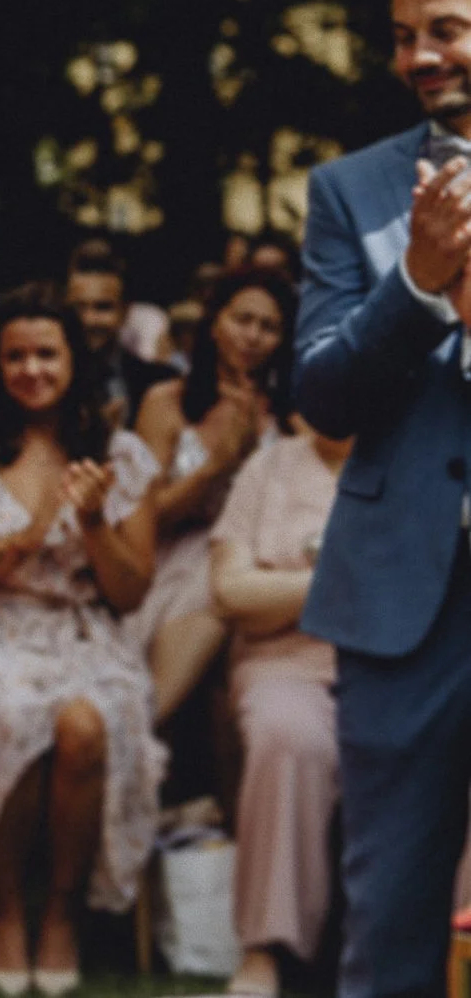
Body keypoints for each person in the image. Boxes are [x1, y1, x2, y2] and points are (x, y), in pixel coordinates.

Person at [292, 0, 471, 997]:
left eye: (446, 28)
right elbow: (321, 393)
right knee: (390, 934)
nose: (419, 57)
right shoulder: (350, 192)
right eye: (404, 36)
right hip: (401, 603)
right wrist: (414, 282)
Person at [0, 293, 164, 992]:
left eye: (46, 354)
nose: (30, 369)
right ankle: (6, 910)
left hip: (87, 632)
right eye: (15, 355)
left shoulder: (122, 454)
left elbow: (131, 592)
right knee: (2, 709)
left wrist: (91, 525)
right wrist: (23, 540)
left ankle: (61, 911)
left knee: (83, 725)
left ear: (75, 362)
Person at [209, 419, 352, 998]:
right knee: (287, 737)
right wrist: (343, 577)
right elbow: (231, 593)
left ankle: (453, 943)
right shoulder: (268, 467)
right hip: (286, 663)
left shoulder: (417, 456)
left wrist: (288, 584)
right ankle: (266, 951)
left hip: (403, 670)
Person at [123, 269, 297, 724]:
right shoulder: (168, 400)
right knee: (214, 584)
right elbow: (147, 516)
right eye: (243, 320)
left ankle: (143, 725)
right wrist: (216, 467)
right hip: (176, 556)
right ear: (216, 322)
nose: (253, 336)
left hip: (265, 562)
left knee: (228, 590)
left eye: (269, 327)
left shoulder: (292, 413)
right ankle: (143, 722)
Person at [62, 240, 170, 426]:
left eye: (103, 307)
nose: (88, 320)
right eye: (78, 308)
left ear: (125, 312)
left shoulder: (159, 382)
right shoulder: (43, 382)